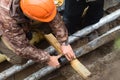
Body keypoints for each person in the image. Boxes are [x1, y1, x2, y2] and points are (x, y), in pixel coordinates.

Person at [0, 0, 76, 67]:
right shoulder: (7, 19)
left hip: (20, 17)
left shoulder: (38, 3)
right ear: (28, 15)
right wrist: (47, 59)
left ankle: (29, 28)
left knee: (48, 24)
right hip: (3, 27)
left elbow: (52, 14)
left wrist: (64, 42)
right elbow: (22, 48)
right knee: (19, 59)